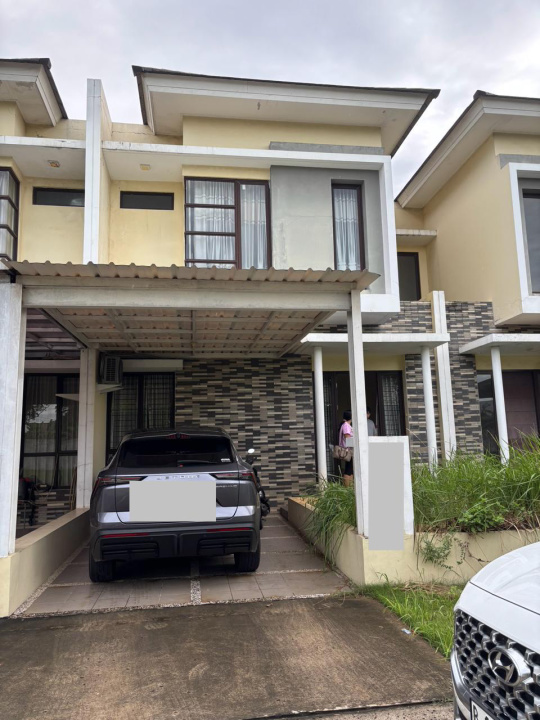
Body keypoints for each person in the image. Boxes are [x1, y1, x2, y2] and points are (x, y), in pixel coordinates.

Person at [338, 410, 354, 487]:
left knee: (350, 469)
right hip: (348, 450)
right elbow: (347, 438)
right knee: (348, 470)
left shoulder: (345, 425)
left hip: (348, 450)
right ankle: (347, 488)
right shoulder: (346, 425)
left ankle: (350, 487)